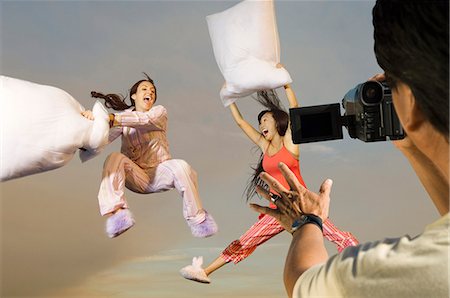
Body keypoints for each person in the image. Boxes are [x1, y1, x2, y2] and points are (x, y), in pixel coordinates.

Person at [251, 0, 449, 297]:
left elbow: (304, 284)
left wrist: (306, 222)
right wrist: (411, 140)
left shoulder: (415, 271)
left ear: (410, 103)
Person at [180, 78, 359, 284]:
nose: (261, 124)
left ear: (277, 122)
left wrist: (287, 85)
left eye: (265, 120)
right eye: (260, 122)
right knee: (245, 241)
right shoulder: (265, 148)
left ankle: (360, 262)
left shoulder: (290, 143)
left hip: (302, 205)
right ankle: (204, 271)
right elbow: (240, 122)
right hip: (278, 210)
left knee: (335, 235)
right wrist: (228, 99)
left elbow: (295, 109)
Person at [81, 73, 218, 238]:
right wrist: (91, 122)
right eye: (144, 89)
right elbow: (100, 140)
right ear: (134, 96)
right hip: (137, 176)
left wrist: (110, 118)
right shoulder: (122, 121)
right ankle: (117, 214)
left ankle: (198, 220)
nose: (150, 93)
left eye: (153, 91)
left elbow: (144, 120)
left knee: (180, 166)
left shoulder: (159, 113)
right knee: (114, 158)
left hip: (160, 173)